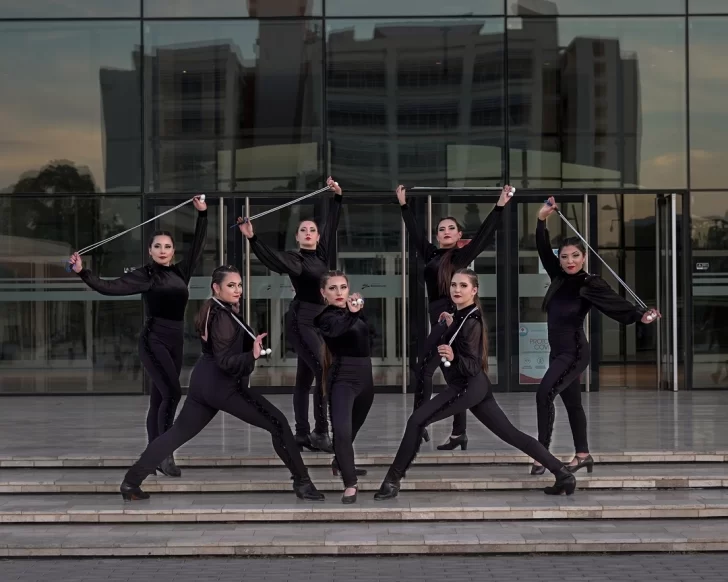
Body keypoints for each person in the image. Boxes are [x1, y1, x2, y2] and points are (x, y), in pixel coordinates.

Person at [119, 266, 325, 502]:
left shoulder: (217, 310)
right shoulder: (222, 317)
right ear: (216, 288)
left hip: (204, 383)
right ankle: (303, 483)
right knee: (278, 424)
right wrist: (252, 356)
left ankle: (131, 482)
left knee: (175, 434)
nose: (237, 290)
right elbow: (226, 361)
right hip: (222, 385)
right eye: (231, 285)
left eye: (239, 285)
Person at [374, 269, 576, 501]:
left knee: (416, 420)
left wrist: (452, 356)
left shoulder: (471, 321)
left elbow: (471, 365)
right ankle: (562, 473)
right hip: (472, 386)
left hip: (467, 386)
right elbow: (427, 350)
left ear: (474, 290)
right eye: (453, 285)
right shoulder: (457, 316)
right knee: (511, 434)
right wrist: (442, 327)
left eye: (463, 286)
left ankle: (391, 481)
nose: (456, 290)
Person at [69, 196, 208, 478]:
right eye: (157, 246)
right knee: (172, 393)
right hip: (153, 339)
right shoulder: (144, 275)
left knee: (159, 399)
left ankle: (153, 454)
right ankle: (163, 453)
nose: (163, 250)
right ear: (149, 250)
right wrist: (83, 272)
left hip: (175, 340)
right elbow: (109, 287)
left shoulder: (181, 271)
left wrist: (202, 214)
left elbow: (198, 245)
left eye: (167, 246)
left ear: (172, 250)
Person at [531, 197, 660, 475]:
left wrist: (641, 315)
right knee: (573, 403)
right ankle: (583, 454)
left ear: (584, 256)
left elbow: (615, 302)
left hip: (574, 352)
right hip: (558, 352)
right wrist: (542, 220)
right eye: (564, 256)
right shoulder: (560, 277)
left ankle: (541, 455)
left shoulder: (590, 283)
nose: (569, 261)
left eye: (575, 256)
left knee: (544, 394)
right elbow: (543, 250)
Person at [397, 184, 513, 450]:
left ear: (459, 234)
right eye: (441, 229)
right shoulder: (430, 254)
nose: (445, 232)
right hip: (436, 317)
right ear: (437, 235)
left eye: (451, 228)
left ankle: (421, 422)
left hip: (452, 319)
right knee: (451, 377)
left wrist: (500, 206)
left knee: (425, 369)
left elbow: (484, 235)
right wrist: (404, 206)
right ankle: (458, 432)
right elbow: (414, 235)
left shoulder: (461, 255)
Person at [238, 178, 343, 454]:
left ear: (317, 236)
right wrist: (252, 238)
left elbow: (332, 226)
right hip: (302, 320)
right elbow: (271, 259)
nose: (308, 232)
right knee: (323, 370)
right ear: (297, 237)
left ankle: (301, 434)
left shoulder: (322, 254)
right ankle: (320, 433)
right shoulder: (296, 261)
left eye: (312, 230)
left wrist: (337, 198)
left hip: (321, 320)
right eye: (303, 230)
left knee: (306, 377)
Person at [314, 271, 374, 504]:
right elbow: (338, 330)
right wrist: (352, 313)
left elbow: (370, 337)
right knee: (342, 431)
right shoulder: (324, 318)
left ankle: (340, 461)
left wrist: (358, 314)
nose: (339, 293)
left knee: (352, 430)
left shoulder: (355, 314)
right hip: (343, 379)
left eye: (343, 287)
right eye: (333, 288)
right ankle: (350, 483)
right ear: (323, 293)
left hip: (366, 379)